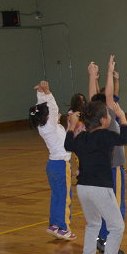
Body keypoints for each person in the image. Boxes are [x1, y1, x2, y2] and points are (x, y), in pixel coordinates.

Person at [65, 56, 127, 254]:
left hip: (82, 187)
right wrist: (122, 117)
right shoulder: (105, 135)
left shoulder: (82, 137)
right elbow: (125, 136)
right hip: (100, 187)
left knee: (92, 223)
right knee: (117, 226)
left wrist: (72, 126)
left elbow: (68, 144)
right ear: (104, 119)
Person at [30, 81, 76, 241]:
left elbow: (40, 109)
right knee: (65, 197)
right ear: (48, 116)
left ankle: (54, 225)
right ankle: (64, 228)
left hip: (52, 165)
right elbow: (52, 107)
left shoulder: (44, 126)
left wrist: (41, 94)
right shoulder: (51, 126)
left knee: (57, 195)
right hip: (62, 165)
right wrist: (47, 92)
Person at [88, 61, 125, 254]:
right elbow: (107, 97)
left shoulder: (94, 121)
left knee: (105, 207)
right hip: (113, 169)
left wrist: (92, 78)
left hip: (101, 170)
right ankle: (107, 242)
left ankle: (102, 238)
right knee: (117, 209)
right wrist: (109, 72)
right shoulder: (109, 122)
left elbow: (93, 100)